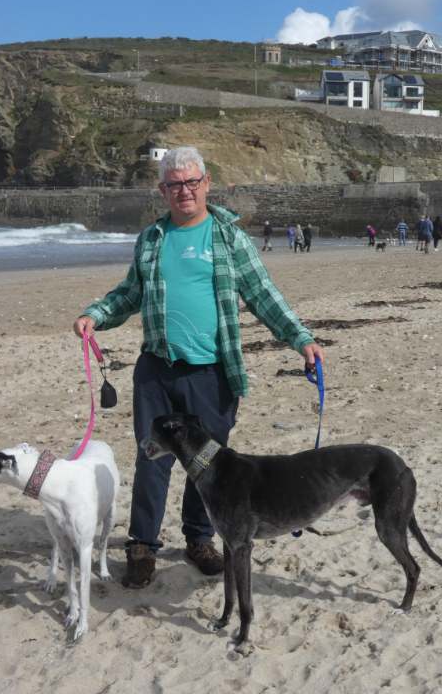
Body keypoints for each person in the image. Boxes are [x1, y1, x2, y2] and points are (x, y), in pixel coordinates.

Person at [73, 146, 324, 588]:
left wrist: (301, 338)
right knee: (151, 458)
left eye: (191, 182)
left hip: (212, 373)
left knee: (207, 463)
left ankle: (199, 538)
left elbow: (263, 294)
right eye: (174, 184)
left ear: (207, 184)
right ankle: (142, 545)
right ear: (162, 190)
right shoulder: (152, 239)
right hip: (157, 369)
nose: (184, 191)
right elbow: (130, 293)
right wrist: (96, 314)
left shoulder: (228, 238)